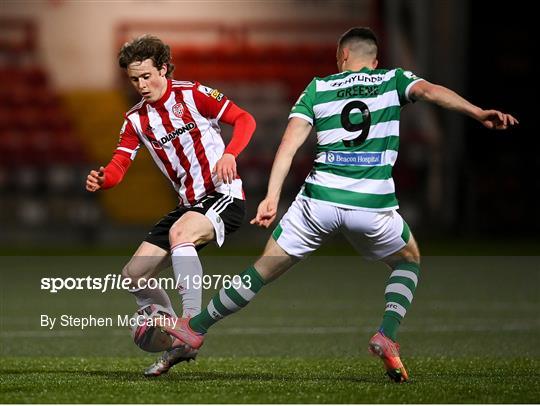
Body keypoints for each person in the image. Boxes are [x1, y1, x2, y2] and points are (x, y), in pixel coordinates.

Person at [155, 27, 518, 383]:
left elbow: (289, 144)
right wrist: (478, 112)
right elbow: (430, 91)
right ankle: (386, 334)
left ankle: (196, 327)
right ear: (373, 61)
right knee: (408, 260)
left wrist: (272, 196)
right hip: (370, 205)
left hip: (319, 201)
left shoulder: (318, 88)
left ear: (341, 56)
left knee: (262, 270)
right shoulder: (392, 80)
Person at [85, 35, 256, 376]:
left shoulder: (193, 95)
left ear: (163, 68)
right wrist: (106, 179)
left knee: (181, 233)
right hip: (189, 204)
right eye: (134, 79)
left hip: (223, 195)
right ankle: (174, 338)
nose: (141, 85)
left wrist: (230, 154)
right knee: (133, 275)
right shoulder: (136, 119)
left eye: (147, 76)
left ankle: (189, 324)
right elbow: (120, 164)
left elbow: (245, 120)